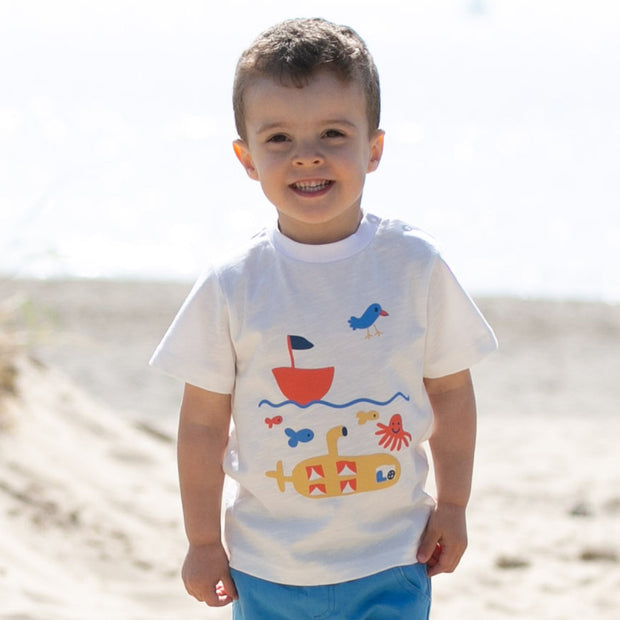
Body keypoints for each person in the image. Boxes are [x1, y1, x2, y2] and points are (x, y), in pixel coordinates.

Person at [150, 17, 497, 619]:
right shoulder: (233, 282)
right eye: (279, 138)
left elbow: (451, 391)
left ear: (374, 148)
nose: (307, 156)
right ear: (247, 158)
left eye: (334, 133)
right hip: (268, 566)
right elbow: (203, 426)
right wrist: (203, 542)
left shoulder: (414, 265)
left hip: (392, 555)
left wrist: (455, 504)